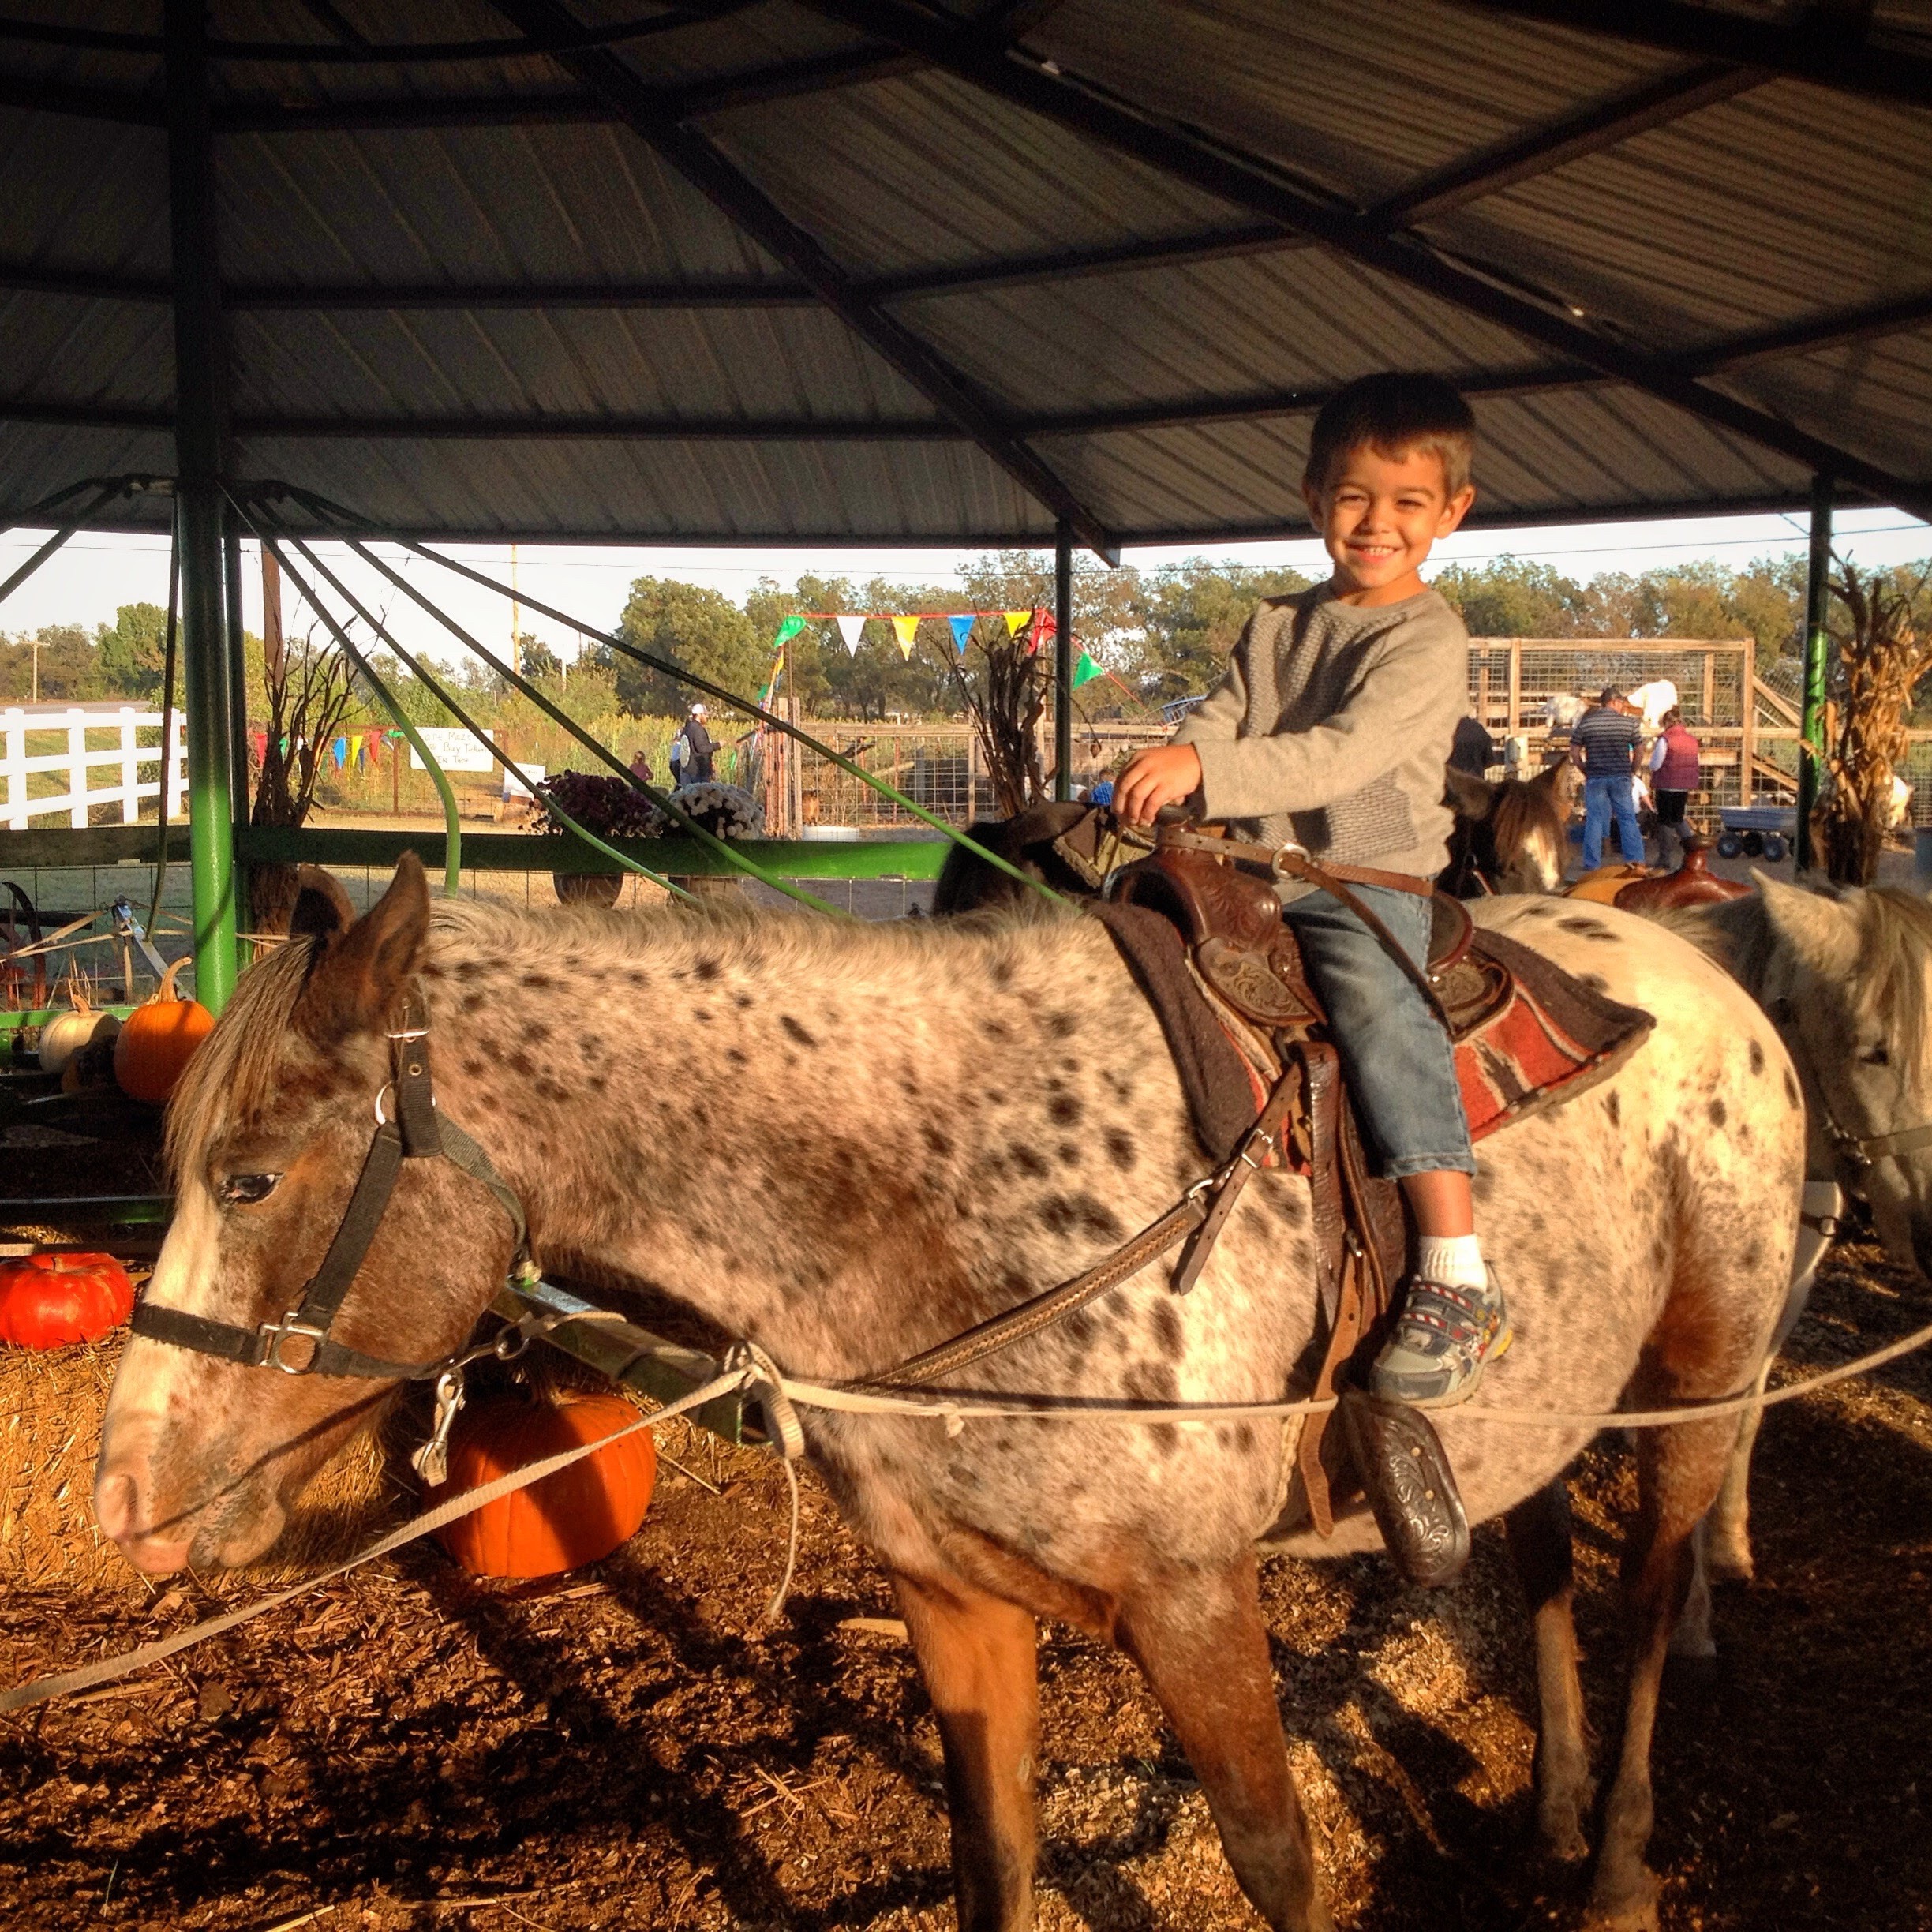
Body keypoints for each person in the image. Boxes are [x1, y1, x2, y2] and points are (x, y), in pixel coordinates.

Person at [1113, 372, 1506, 1410]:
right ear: (1312, 496)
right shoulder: (1276, 621)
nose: (1375, 524)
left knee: (1381, 1014)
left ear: (1450, 514)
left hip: (1356, 881)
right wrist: (1170, 763)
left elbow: (1343, 756)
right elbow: (1228, 717)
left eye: (1406, 503)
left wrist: (1211, 774)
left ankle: (1458, 1269)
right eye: (1352, 498)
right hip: (1245, 869)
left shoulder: (1426, 638)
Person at [1571, 687, 1645, 871]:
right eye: (1621, 703)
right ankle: (1635, 860)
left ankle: (1592, 863)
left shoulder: (1587, 724)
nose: (1622, 707)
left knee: (1594, 819)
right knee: (1627, 818)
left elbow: (1574, 751)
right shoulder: (1630, 724)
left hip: (1596, 777)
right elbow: (1640, 750)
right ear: (1613, 702)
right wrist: (1632, 769)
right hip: (1620, 776)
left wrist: (1585, 770)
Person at [1649, 705, 1700, 870]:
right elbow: (1695, 761)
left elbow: (1656, 764)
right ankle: (1694, 852)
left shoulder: (1665, 739)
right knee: (1678, 818)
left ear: (1667, 723)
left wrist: (1651, 767)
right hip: (1684, 786)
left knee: (1664, 822)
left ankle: (1664, 858)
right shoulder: (1692, 740)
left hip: (1666, 784)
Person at [673, 703, 716, 785]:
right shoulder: (698, 729)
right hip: (697, 771)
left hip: (686, 769)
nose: (707, 717)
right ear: (699, 715)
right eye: (705, 714)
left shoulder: (687, 728)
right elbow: (702, 748)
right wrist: (718, 745)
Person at [1449, 713, 1496, 777]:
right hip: (1475, 780)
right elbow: (1490, 761)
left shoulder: (1447, 730)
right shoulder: (1479, 729)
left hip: (1452, 780)